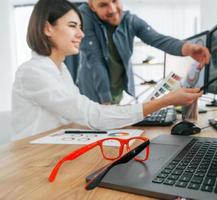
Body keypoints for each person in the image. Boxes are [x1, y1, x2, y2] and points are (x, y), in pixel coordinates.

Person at [11, 0, 203, 140]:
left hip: (54, 149)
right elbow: (91, 111)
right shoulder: (34, 72)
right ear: (47, 28)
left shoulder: (61, 70)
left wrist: (187, 48)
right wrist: (165, 101)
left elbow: (157, 38)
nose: (81, 34)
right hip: (33, 159)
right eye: (72, 26)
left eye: (80, 27)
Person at [65, 0, 210, 104]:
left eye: (115, 1)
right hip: (92, 91)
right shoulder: (84, 17)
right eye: (103, 5)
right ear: (91, 6)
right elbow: (95, 61)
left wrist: (189, 49)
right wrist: (106, 101)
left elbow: (158, 39)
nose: (112, 9)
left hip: (117, 90)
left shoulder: (130, 20)